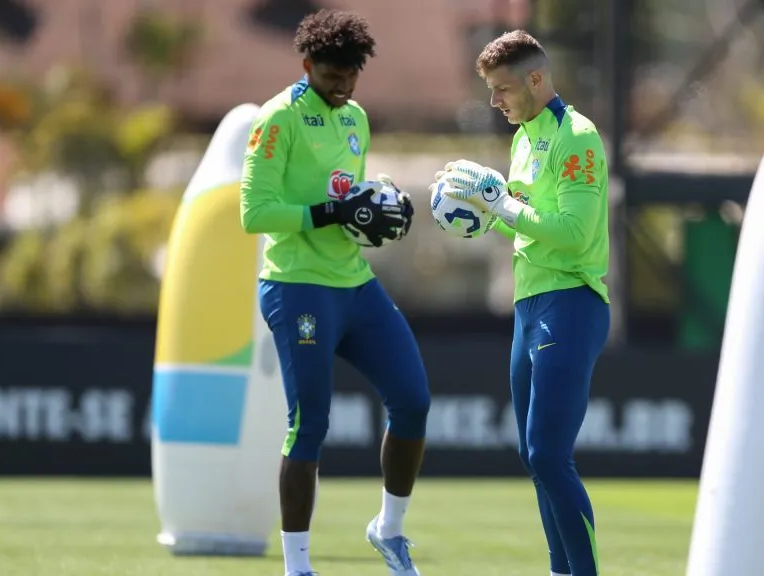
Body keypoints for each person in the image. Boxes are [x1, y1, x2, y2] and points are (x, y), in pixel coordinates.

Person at [240, 9, 429, 576]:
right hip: (297, 287)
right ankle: (297, 566)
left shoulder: (357, 118)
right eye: (331, 75)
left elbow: (353, 199)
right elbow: (255, 212)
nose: (342, 85)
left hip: (354, 283)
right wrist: (332, 212)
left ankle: (388, 531)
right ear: (307, 64)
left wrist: (382, 208)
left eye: (351, 74)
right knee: (311, 423)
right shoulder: (279, 118)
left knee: (414, 400)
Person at [432, 29, 611, 576]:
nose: (495, 102)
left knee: (549, 456)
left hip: (571, 302)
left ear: (536, 79)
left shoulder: (575, 135)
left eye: (503, 89)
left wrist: (503, 207)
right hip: (530, 305)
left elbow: (576, 234)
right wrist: (489, 211)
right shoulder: (522, 138)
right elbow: (527, 221)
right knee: (534, 458)